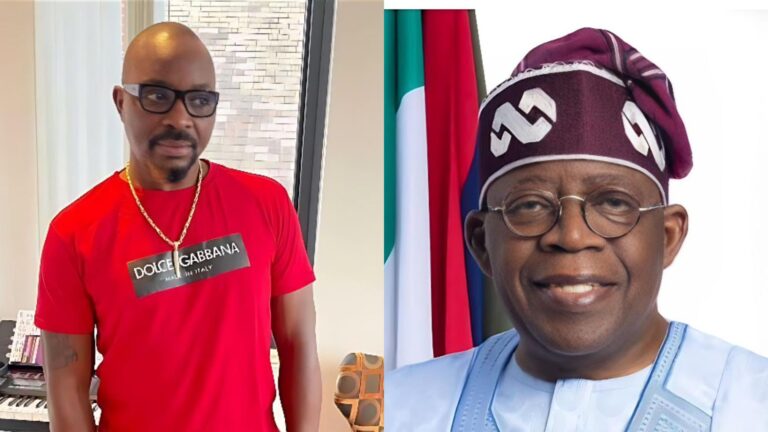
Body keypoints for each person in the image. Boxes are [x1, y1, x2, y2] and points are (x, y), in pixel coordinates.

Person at [386, 28, 768, 431]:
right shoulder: (400, 407)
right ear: (481, 243)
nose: (571, 236)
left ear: (668, 236)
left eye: (613, 204)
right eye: (530, 206)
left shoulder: (751, 405)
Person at [35, 22, 321, 431]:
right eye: (157, 96)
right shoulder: (74, 232)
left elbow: (299, 345)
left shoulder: (266, 204)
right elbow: (65, 389)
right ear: (121, 102)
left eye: (199, 100)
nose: (180, 118)